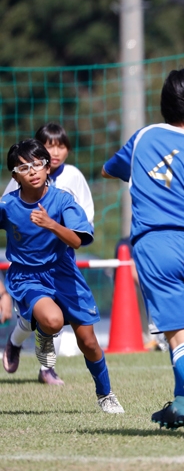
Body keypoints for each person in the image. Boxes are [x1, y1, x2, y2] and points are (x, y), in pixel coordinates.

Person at [102, 68, 184, 437]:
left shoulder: (143, 136)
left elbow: (109, 170)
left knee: (179, 337)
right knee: (183, 332)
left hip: (157, 248)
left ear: (164, 103)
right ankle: (181, 404)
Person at [1, 139, 124, 413]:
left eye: (38, 164)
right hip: (28, 277)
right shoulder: (7, 205)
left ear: (47, 168)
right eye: (24, 167)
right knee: (53, 320)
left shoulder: (62, 200)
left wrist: (51, 224)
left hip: (64, 274)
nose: (32, 171)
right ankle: (44, 336)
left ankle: (105, 394)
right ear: (15, 176)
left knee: (89, 342)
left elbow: (77, 241)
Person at [3, 122, 95, 386]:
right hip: (29, 267)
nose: (55, 152)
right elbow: (10, 209)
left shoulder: (72, 178)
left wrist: (61, 226)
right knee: (40, 316)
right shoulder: (19, 181)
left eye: (61, 146)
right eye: (49, 146)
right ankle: (16, 342)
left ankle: (47, 369)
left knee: (58, 316)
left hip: (62, 258)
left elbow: (84, 219)